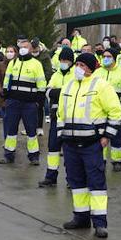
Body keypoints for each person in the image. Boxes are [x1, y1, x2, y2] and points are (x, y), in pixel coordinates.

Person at [58, 52, 121, 238]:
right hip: (70, 144)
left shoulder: (101, 86)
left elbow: (116, 112)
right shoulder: (68, 86)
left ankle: (100, 223)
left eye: (83, 65)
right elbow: (60, 115)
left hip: (92, 144)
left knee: (96, 183)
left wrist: (107, 136)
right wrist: (61, 136)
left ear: (90, 68)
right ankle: (81, 217)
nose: (79, 68)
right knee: (76, 183)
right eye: (77, 64)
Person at [0, 39, 46, 167]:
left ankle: (34, 156)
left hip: (29, 104)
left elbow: (41, 83)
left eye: (26, 47)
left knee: (31, 131)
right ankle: (9, 155)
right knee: (11, 130)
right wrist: (6, 95)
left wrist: (39, 101)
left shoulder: (36, 64)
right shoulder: (13, 62)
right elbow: (7, 79)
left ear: (31, 49)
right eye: (21, 46)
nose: (23, 49)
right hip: (13, 102)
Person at [39, 47, 76, 188]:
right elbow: (48, 92)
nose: (63, 62)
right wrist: (63, 92)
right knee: (53, 148)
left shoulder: (75, 75)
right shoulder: (56, 75)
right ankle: (51, 177)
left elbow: (74, 92)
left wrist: (58, 92)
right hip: (56, 117)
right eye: (61, 60)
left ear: (71, 61)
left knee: (69, 150)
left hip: (71, 118)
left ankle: (71, 179)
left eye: (66, 60)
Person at [0, 45, 13, 123]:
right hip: (3, 94)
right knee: (4, 115)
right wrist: (0, 90)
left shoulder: (18, 64)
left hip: (14, 94)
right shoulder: (1, 64)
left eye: (11, 52)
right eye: (7, 52)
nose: (9, 53)